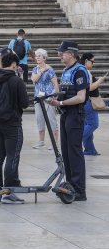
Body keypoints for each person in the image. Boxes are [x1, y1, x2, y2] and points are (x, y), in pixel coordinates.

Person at [0, 48, 29, 203]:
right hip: (12, 124)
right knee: (12, 156)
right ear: (13, 64)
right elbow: (24, 103)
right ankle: (9, 191)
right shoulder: (16, 80)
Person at [49, 41, 89, 201]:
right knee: (66, 152)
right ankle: (70, 186)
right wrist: (55, 98)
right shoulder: (66, 71)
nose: (59, 55)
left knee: (74, 152)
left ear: (71, 54)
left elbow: (81, 97)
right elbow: (65, 92)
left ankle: (79, 190)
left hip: (75, 114)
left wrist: (60, 103)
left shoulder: (79, 71)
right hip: (66, 114)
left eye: (62, 52)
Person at [31, 48, 59, 150]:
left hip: (48, 96)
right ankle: (41, 141)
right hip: (38, 97)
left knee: (51, 119)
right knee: (39, 119)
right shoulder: (35, 69)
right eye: (36, 56)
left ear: (44, 57)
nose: (37, 57)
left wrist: (56, 94)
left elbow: (55, 83)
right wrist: (41, 71)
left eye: (39, 56)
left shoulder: (50, 69)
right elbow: (34, 79)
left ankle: (55, 142)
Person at [80, 53, 107, 156]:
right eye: (92, 61)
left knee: (88, 125)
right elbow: (89, 87)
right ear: (86, 61)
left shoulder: (82, 70)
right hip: (88, 102)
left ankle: (89, 150)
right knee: (93, 124)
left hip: (86, 102)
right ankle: (76, 142)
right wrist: (99, 81)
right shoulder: (85, 71)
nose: (93, 63)